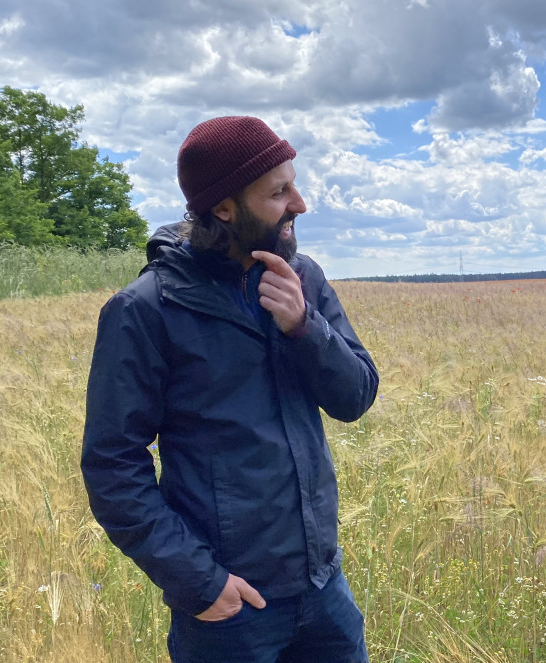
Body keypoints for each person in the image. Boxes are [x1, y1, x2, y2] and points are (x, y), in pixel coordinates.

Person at [81, 116, 379, 663]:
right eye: (278, 192)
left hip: (323, 589)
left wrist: (304, 327)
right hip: (231, 611)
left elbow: (356, 396)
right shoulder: (147, 310)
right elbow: (111, 464)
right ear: (223, 208)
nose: (300, 204)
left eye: (294, 182)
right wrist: (200, 582)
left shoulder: (302, 278)